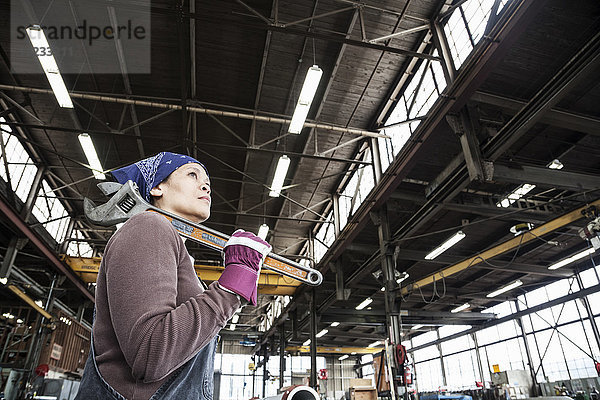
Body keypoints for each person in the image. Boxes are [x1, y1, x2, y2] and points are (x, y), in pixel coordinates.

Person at [75, 152, 271, 400]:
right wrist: (232, 285)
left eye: (207, 182)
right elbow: (150, 355)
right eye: (192, 174)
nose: (205, 185)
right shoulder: (149, 226)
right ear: (157, 188)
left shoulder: (173, 249)